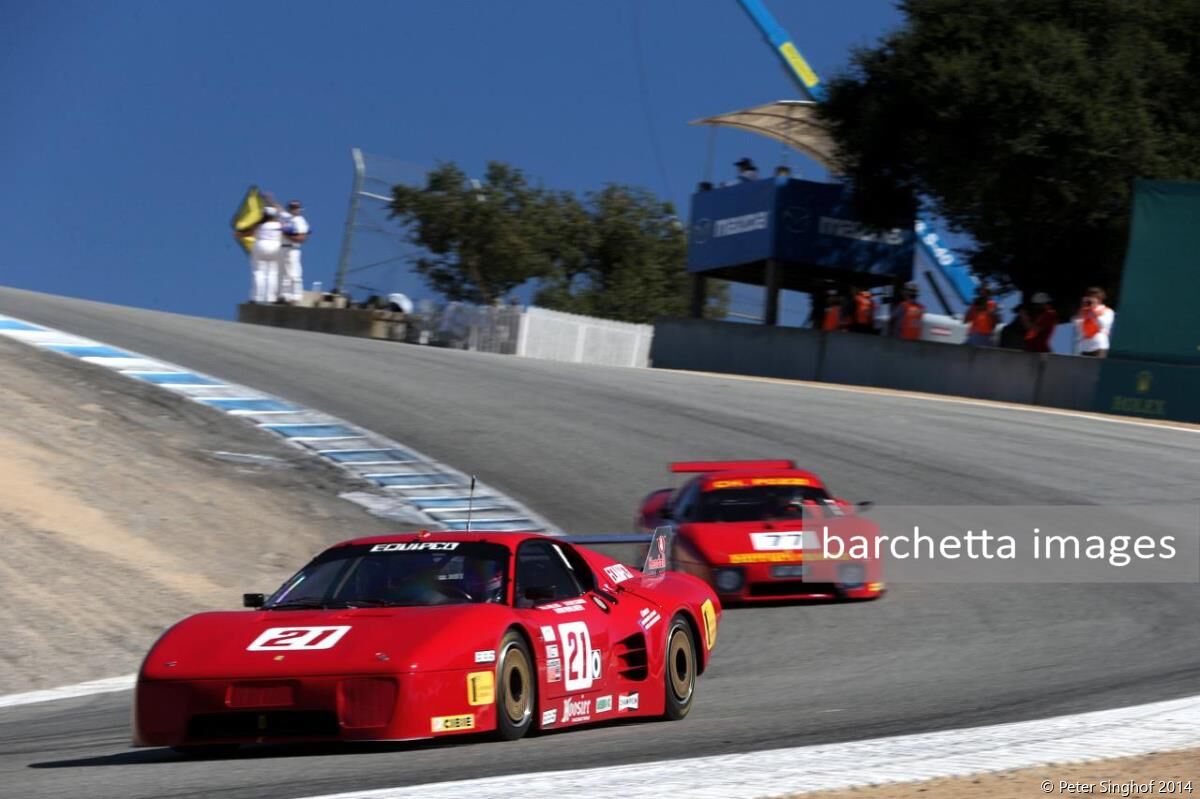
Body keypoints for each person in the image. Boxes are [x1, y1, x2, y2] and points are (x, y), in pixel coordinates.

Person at [235, 205, 284, 303]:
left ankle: (256, 297)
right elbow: (283, 215)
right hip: (276, 248)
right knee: (273, 273)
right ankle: (271, 298)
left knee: (258, 273)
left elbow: (248, 233)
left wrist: (239, 234)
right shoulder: (279, 225)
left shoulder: (259, 225)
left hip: (261, 247)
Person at [279, 200, 309, 303]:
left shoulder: (300, 221)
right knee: (283, 274)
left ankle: (296, 296)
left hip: (293, 249)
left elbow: (302, 238)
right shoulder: (285, 218)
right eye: (292, 207)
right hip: (282, 248)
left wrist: (286, 235)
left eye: (296, 207)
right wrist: (269, 199)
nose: (294, 209)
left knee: (294, 274)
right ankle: (284, 296)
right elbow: (278, 209)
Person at [1073, 287, 1115, 357]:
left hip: (1099, 346)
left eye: (1093, 298)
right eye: (1089, 297)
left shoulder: (1107, 311)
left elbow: (1102, 325)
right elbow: (1077, 326)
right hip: (1084, 347)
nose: (1090, 300)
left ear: (1100, 299)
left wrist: (1093, 313)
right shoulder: (1085, 310)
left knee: (1097, 367)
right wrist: (1081, 311)